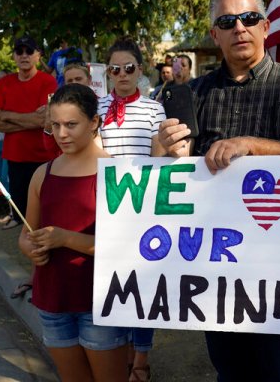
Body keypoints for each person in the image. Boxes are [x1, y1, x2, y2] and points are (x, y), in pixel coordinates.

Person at [159, 0, 280, 382]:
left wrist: (250, 145)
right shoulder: (193, 92)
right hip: (215, 262)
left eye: (249, 18)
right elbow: (179, 166)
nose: (240, 27)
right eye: (227, 21)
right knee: (229, 367)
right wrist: (165, 149)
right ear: (215, 34)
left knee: (279, 369)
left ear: (265, 27)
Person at [18, 84, 129, 382]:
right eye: (55, 125)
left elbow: (126, 248)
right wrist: (31, 248)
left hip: (101, 303)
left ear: (94, 123)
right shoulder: (43, 173)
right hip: (52, 300)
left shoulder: (117, 173)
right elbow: (27, 234)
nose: (61, 134)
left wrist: (64, 238)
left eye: (71, 124)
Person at [98, 36, 166, 381]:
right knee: (114, 284)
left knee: (143, 286)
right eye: (115, 69)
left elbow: (159, 157)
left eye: (128, 68)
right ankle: (121, 351)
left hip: (144, 209)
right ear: (108, 72)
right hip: (107, 210)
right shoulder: (96, 108)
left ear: (139, 70)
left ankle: (141, 358)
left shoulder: (155, 108)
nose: (121, 74)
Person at [0, 35, 58, 230]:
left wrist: (7, 115)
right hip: (15, 157)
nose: (24, 55)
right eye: (19, 51)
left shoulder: (48, 82)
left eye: (29, 51)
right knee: (20, 209)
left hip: (42, 156)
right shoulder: (5, 83)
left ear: (38, 55)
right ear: (13, 56)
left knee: (44, 211)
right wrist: (30, 119)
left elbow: (43, 120)